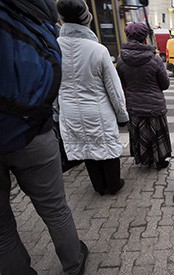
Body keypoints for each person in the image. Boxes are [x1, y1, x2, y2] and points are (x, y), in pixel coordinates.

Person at [0, 0, 88, 275]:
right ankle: (74, 264)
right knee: (55, 208)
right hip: (33, 133)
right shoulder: (33, 17)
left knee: (1, 229)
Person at [56, 0, 129, 196]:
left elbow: (51, 85)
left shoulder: (54, 48)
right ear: (86, 19)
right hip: (98, 111)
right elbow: (114, 88)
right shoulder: (98, 50)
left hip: (69, 111)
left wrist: (57, 113)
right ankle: (113, 185)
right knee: (106, 146)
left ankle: (99, 187)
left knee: (85, 147)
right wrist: (122, 115)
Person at [117, 22, 172, 170]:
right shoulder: (155, 59)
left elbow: (121, 84)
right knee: (156, 134)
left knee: (140, 133)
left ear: (128, 37)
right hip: (154, 105)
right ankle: (159, 161)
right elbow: (165, 84)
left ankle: (144, 159)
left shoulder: (121, 59)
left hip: (134, 105)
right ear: (145, 38)